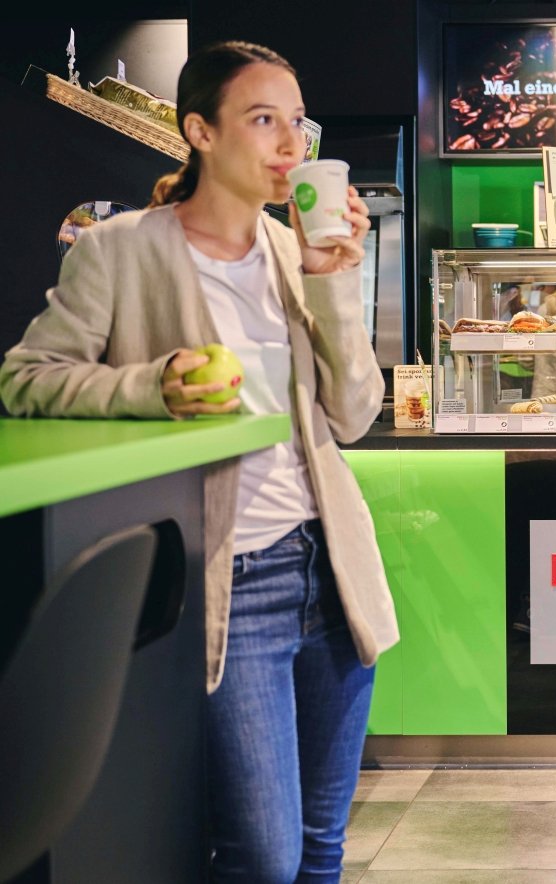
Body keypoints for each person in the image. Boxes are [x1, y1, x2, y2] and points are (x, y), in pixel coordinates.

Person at [0, 42, 399, 879]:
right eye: (263, 120)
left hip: (329, 568)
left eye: (298, 122)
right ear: (199, 132)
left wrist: (333, 283)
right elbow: (26, 377)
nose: (290, 144)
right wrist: (153, 387)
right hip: (229, 582)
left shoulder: (297, 252)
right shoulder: (121, 249)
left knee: (324, 846)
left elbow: (355, 416)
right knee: (262, 853)